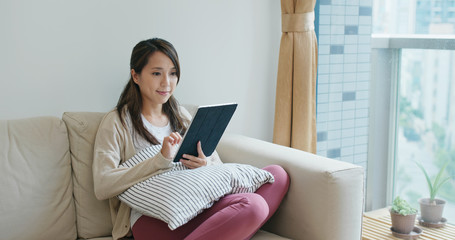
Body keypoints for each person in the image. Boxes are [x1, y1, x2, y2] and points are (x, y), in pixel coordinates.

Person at [93, 38, 290, 240]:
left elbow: (216, 166)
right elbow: (102, 186)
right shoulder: (117, 122)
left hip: (197, 204)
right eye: (156, 73)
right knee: (254, 206)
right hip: (152, 219)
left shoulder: (181, 115)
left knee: (277, 175)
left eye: (173, 73)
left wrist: (205, 163)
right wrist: (158, 162)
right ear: (135, 76)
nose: (166, 83)